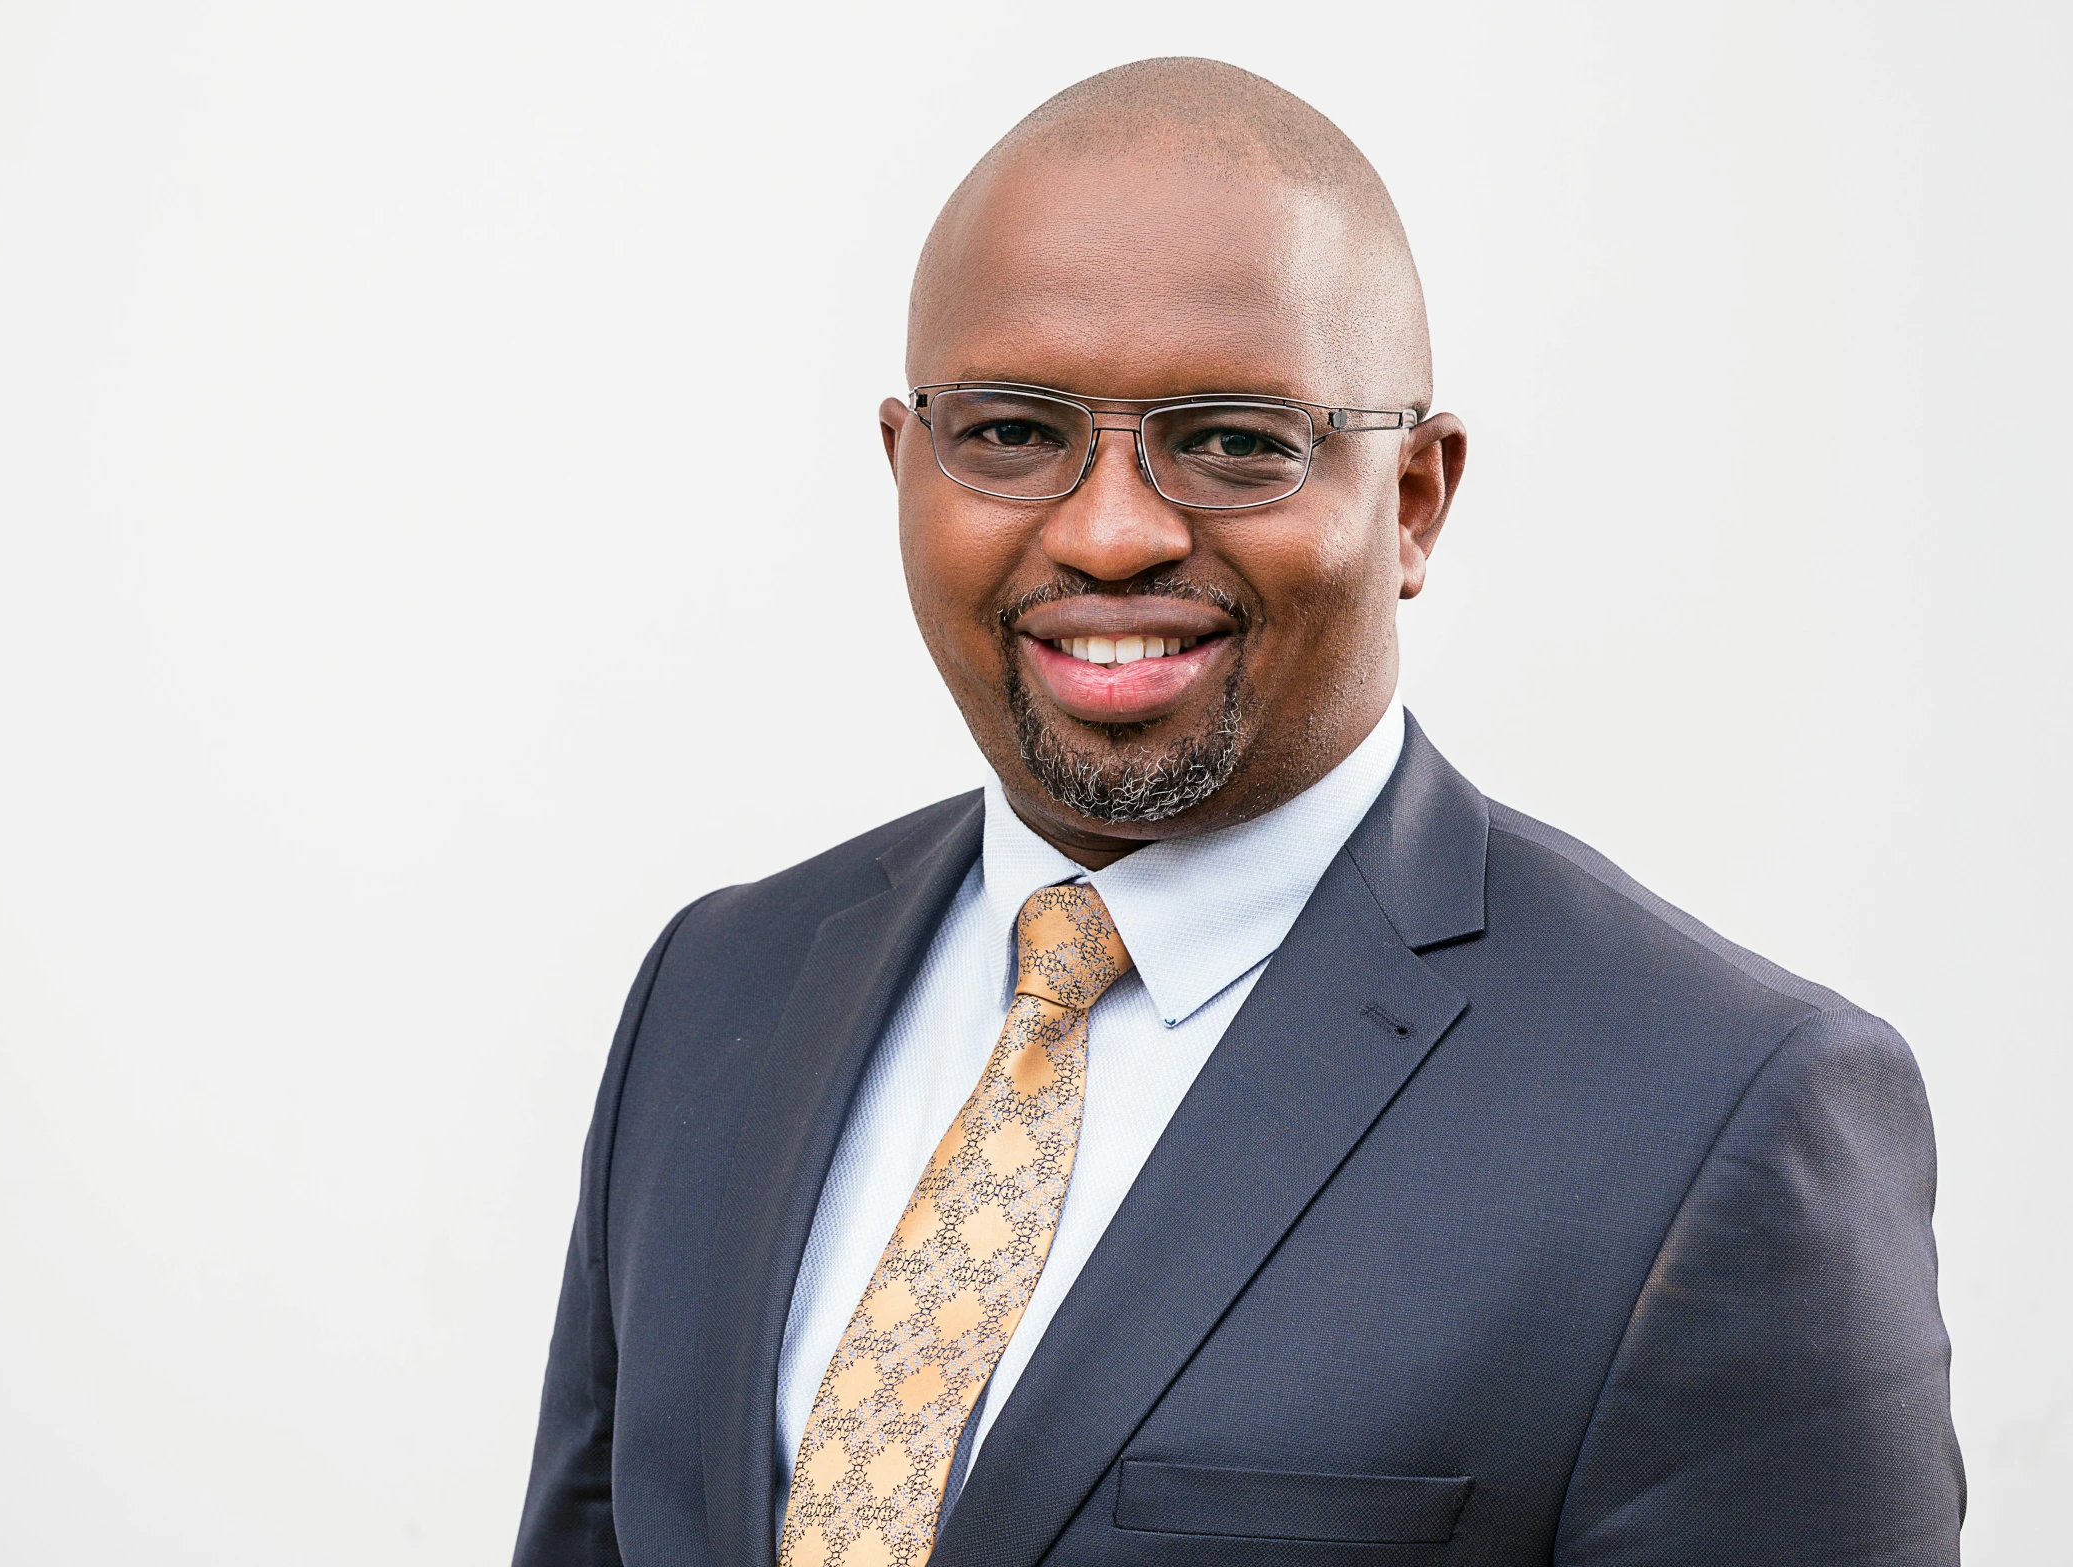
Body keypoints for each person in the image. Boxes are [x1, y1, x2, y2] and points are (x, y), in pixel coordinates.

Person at [513, 57, 1963, 1567]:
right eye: (1011, 433)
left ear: (1412, 498)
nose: (1113, 529)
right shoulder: (719, 990)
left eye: (1232, 440)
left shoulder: (1716, 1115)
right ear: (904, 465)